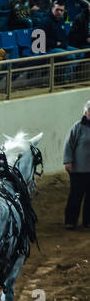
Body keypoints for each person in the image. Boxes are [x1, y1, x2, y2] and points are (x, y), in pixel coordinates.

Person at [64, 98, 90, 229]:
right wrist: (68, 161)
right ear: (85, 112)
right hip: (78, 169)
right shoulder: (77, 127)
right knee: (75, 195)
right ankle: (71, 220)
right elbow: (68, 145)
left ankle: (88, 222)